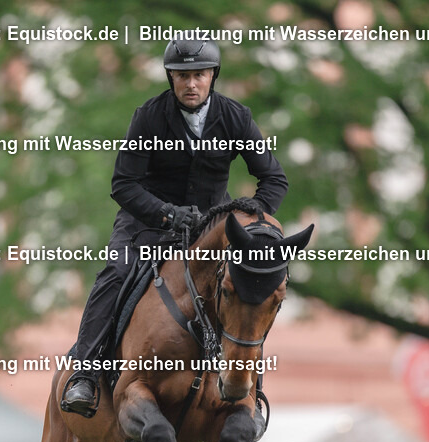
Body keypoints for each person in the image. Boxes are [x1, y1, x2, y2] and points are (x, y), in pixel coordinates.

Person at [61, 38, 288, 417]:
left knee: (246, 286)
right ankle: (85, 371)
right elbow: (123, 185)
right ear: (171, 78)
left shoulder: (235, 117)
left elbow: (274, 179)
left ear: (212, 76)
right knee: (116, 272)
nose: (191, 84)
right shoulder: (149, 116)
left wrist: (252, 224)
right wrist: (167, 214)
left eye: (199, 75)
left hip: (210, 231)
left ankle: (250, 385)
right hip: (146, 225)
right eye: (182, 76)